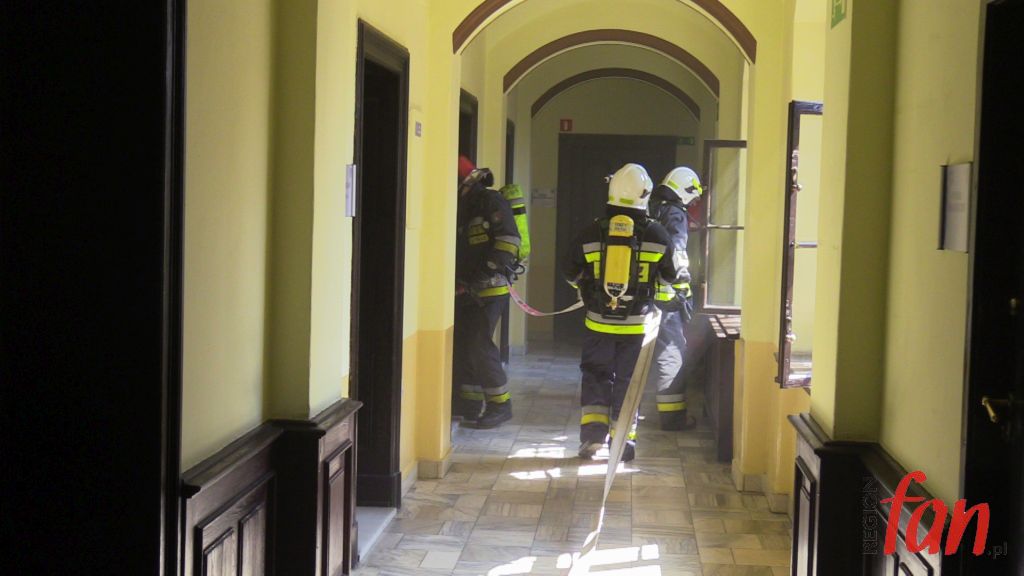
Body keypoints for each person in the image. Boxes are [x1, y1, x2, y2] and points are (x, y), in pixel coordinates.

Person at [562, 163, 684, 461]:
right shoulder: (657, 233)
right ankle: (624, 442)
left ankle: (592, 438)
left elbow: (569, 272)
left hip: (598, 323)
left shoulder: (591, 231)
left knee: (596, 376)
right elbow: (671, 276)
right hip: (637, 326)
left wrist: (588, 286)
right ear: (645, 194)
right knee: (629, 382)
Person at [452, 155, 521, 429]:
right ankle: (468, 404)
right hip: (467, 289)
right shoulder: (465, 205)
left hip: (490, 288)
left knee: (479, 345)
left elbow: (509, 241)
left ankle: (500, 405)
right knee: (464, 345)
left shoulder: (490, 201)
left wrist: (484, 271)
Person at [649, 167, 703, 430]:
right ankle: (673, 418)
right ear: (686, 190)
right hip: (666, 300)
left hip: (642, 297)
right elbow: (677, 253)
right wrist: (682, 290)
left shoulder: (651, 208)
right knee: (672, 352)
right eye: (693, 199)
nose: (692, 205)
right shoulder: (674, 213)